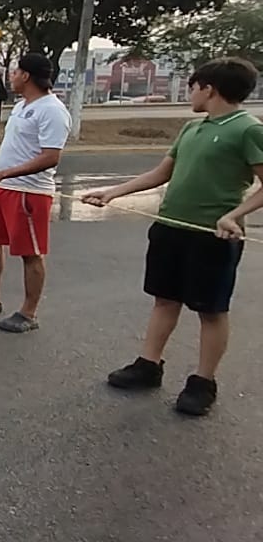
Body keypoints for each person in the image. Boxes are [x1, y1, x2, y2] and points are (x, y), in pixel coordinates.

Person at [82, 58, 263, 416]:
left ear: (209, 88)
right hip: (170, 228)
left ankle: (203, 382)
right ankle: (149, 365)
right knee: (165, 299)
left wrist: (234, 216)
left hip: (211, 235)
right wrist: (114, 192)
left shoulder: (248, 129)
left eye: (193, 86)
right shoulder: (191, 129)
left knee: (211, 310)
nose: (191, 94)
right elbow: (161, 173)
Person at [0, 53, 71, 334]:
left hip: (29, 192)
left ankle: (28, 312)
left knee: (30, 252)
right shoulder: (21, 106)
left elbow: (51, 157)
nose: (12, 75)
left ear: (27, 76)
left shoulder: (52, 110)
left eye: (16, 71)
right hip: (2, 190)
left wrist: (3, 174)